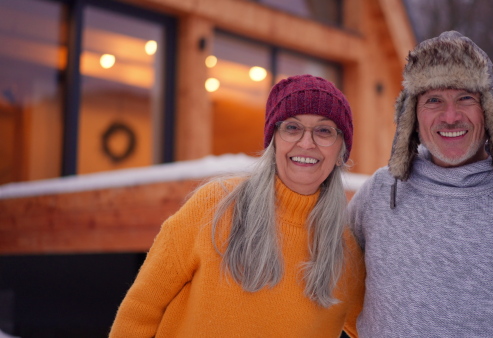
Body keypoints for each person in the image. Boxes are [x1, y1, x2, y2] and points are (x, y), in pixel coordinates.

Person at [348, 31, 493, 336]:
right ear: (413, 115)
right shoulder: (379, 192)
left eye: (465, 98)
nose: (450, 117)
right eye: (434, 99)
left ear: (489, 112)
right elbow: (331, 281)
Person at [109, 74, 365, 337]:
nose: (306, 142)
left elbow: (379, 327)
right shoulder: (215, 205)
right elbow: (141, 309)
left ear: (341, 152)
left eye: (324, 131)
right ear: (273, 140)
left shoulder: (346, 251)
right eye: (292, 127)